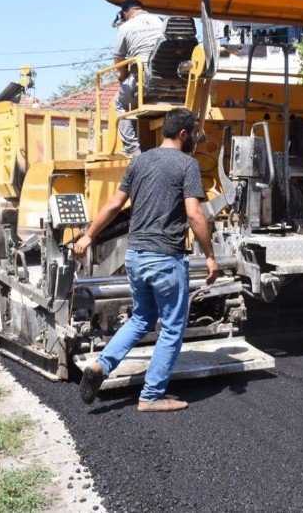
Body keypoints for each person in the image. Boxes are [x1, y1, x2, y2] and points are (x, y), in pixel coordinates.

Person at [74, 107, 221, 412]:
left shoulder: (140, 161)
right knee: (171, 328)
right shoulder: (187, 164)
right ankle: (151, 395)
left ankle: (101, 366)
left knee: (141, 319)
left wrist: (88, 235)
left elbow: (115, 204)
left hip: (135, 256)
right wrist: (210, 256)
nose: (197, 137)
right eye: (195, 133)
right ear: (183, 134)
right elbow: (195, 213)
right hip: (166, 258)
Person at [113, 0, 168, 157]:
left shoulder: (125, 27)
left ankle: (132, 149)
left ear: (125, 13)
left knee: (120, 103)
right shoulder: (161, 21)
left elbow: (119, 61)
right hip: (173, 79)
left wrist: (122, 76)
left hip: (145, 82)